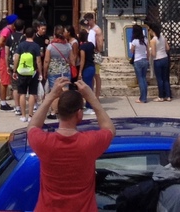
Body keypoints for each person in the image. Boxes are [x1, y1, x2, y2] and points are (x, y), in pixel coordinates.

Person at [27, 78, 115, 212]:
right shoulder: (89, 142)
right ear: (79, 113)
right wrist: (92, 98)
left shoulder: (44, 142)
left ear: (58, 111)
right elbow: (109, 129)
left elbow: (32, 126)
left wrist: (50, 96)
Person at [14, 25, 42, 123]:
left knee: (22, 93)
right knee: (32, 93)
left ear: (25, 35)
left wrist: (14, 70)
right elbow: (38, 61)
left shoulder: (21, 45)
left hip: (21, 72)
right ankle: (30, 115)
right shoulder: (36, 46)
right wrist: (40, 72)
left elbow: (16, 58)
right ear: (34, 35)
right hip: (32, 72)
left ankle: (23, 115)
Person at [0, 14, 19, 110]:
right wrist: (9, 43)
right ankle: (3, 103)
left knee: (5, 80)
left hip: (7, 56)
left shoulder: (11, 31)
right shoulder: (6, 31)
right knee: (4, 81)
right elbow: (0, 43)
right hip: (4, 57)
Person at [83, 13, 104, 97]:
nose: (87, 22)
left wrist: (97, 51)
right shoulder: (88, 28)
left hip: (95, 53)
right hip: (88, 53)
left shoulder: (97, 30)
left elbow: (100, 43)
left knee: (96, 75)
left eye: (88, 20)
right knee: (90, 75)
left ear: (92, 19)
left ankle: (97, 95)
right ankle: (90, 94)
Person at [129, 23, 150, 103]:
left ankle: (142, 98)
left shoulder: (135, 41)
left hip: (137, 60)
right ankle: (145, 96)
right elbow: (148, 51)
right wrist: (147, 59)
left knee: (140, 79)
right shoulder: (145, 40)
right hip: (145, 59)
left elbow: (132, 50)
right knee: (144, 78)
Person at [151, 22, 172, 101]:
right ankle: (168, 95)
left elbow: (153, 53)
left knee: (159, 79)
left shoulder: (153, 40)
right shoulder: (163, 38)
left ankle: (161, 96)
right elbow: (167, 48)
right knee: (166, 78)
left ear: (152, 31)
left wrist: (150, 52)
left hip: (158, 59)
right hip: (165, 58)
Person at [77, 28, 97, 101]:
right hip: (92, 66)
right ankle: (90, 103)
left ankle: (90, 105)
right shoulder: (91, 45)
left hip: (87, 68)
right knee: (90, 86)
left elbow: (82, 60)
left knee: (87, 88)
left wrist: (80, 72)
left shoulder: (83, 47)